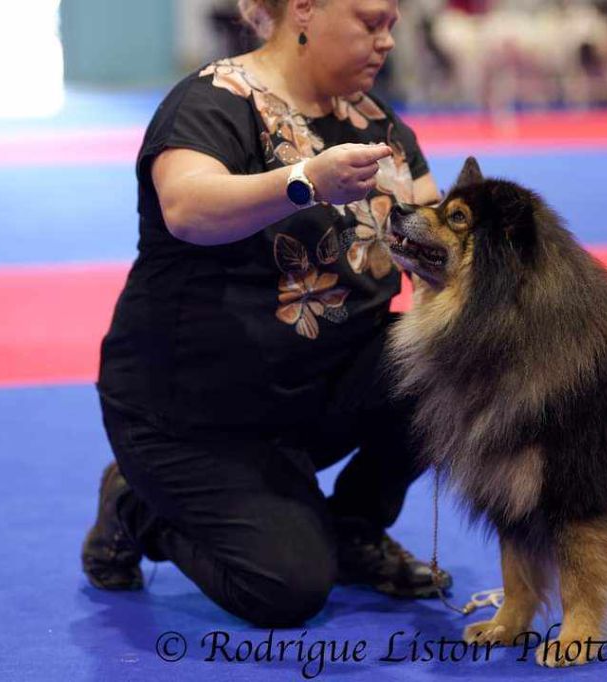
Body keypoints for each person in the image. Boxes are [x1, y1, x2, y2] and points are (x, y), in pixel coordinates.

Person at [81, 0, 452, 628]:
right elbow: (188, 207)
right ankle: (135, 505)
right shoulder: (212, 102)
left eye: (392, 24)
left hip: (311, 393)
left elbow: (436, 242)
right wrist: (304, 179)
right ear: (303, 10)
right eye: (370, 22)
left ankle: (356, 529)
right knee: (288, 589)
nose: (387, 41)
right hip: (190, 414)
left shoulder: (379, 123)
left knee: (453, 360)